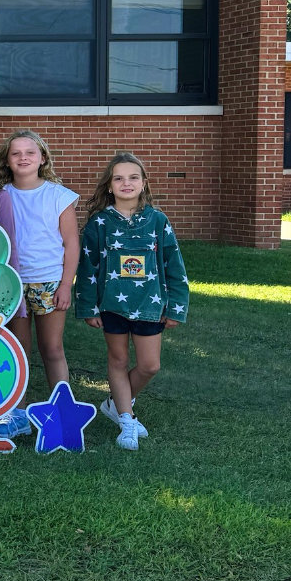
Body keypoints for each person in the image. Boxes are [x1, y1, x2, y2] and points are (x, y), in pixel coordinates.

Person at [74, 152, 187, 451]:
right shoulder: (99, 223)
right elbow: (87, 268)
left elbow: (174, 265)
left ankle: (114, 402)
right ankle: (126, 419)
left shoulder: (157, 220)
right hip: (112, 305)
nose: (127, 183)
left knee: (150, 365)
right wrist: (88, 306)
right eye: (119, 177)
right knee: (119, 361)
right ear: (109, 186)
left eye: (133, 177)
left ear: (144, 183)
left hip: (150, 306)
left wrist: (176, 306)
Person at [0, 129, 80, 393]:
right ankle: (16, 411)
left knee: (52, 348)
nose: (23, 158)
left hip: (50, 282)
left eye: (30, 152)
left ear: (42, 158)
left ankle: (62, 410)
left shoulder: (59, 196)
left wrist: (67, 284)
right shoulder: (1, 195)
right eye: (16, 153)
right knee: (18, 348)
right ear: (7, 160)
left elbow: (71, 243)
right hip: (14, 281)